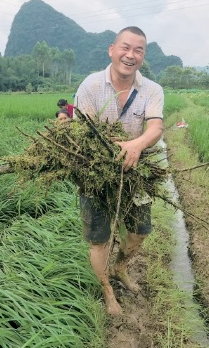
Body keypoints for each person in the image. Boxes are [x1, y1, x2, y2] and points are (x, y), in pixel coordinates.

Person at [74, 26, 164, 315]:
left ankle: (120, 267)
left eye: (138, 50)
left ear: (143, 56)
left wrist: (136, 145)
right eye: (125, 47)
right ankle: (107, 291)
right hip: (96, 175)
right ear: (112, 50)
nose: (130, 55)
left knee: (140, 231)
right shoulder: (90, 86)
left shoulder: (152, 89)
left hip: (136, 174)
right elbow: (84, 134)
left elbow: (156, 128)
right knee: (99, 239)